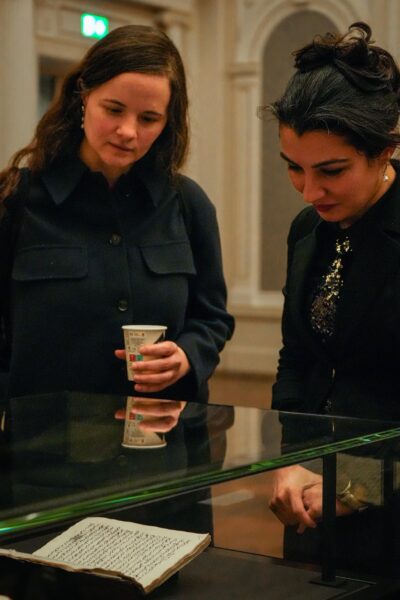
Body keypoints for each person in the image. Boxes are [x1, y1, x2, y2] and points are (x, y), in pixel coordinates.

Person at [0, 25, 234, 401]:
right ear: (83, 97)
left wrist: (187, 356)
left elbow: (212, 318)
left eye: (148, 118)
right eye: (114, 110)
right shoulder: (16, 199)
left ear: (167, 123)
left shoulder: (189, 204)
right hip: (42, 433)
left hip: (160, 430)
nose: (128, 131)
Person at [266, 22, 400, 571]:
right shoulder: (307, 229)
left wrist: (363, 483)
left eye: (331, 171)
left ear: (386, 149)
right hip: (312, 501)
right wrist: (290, 463)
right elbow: (296, 359)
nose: (308, 191)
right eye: (294, 168)